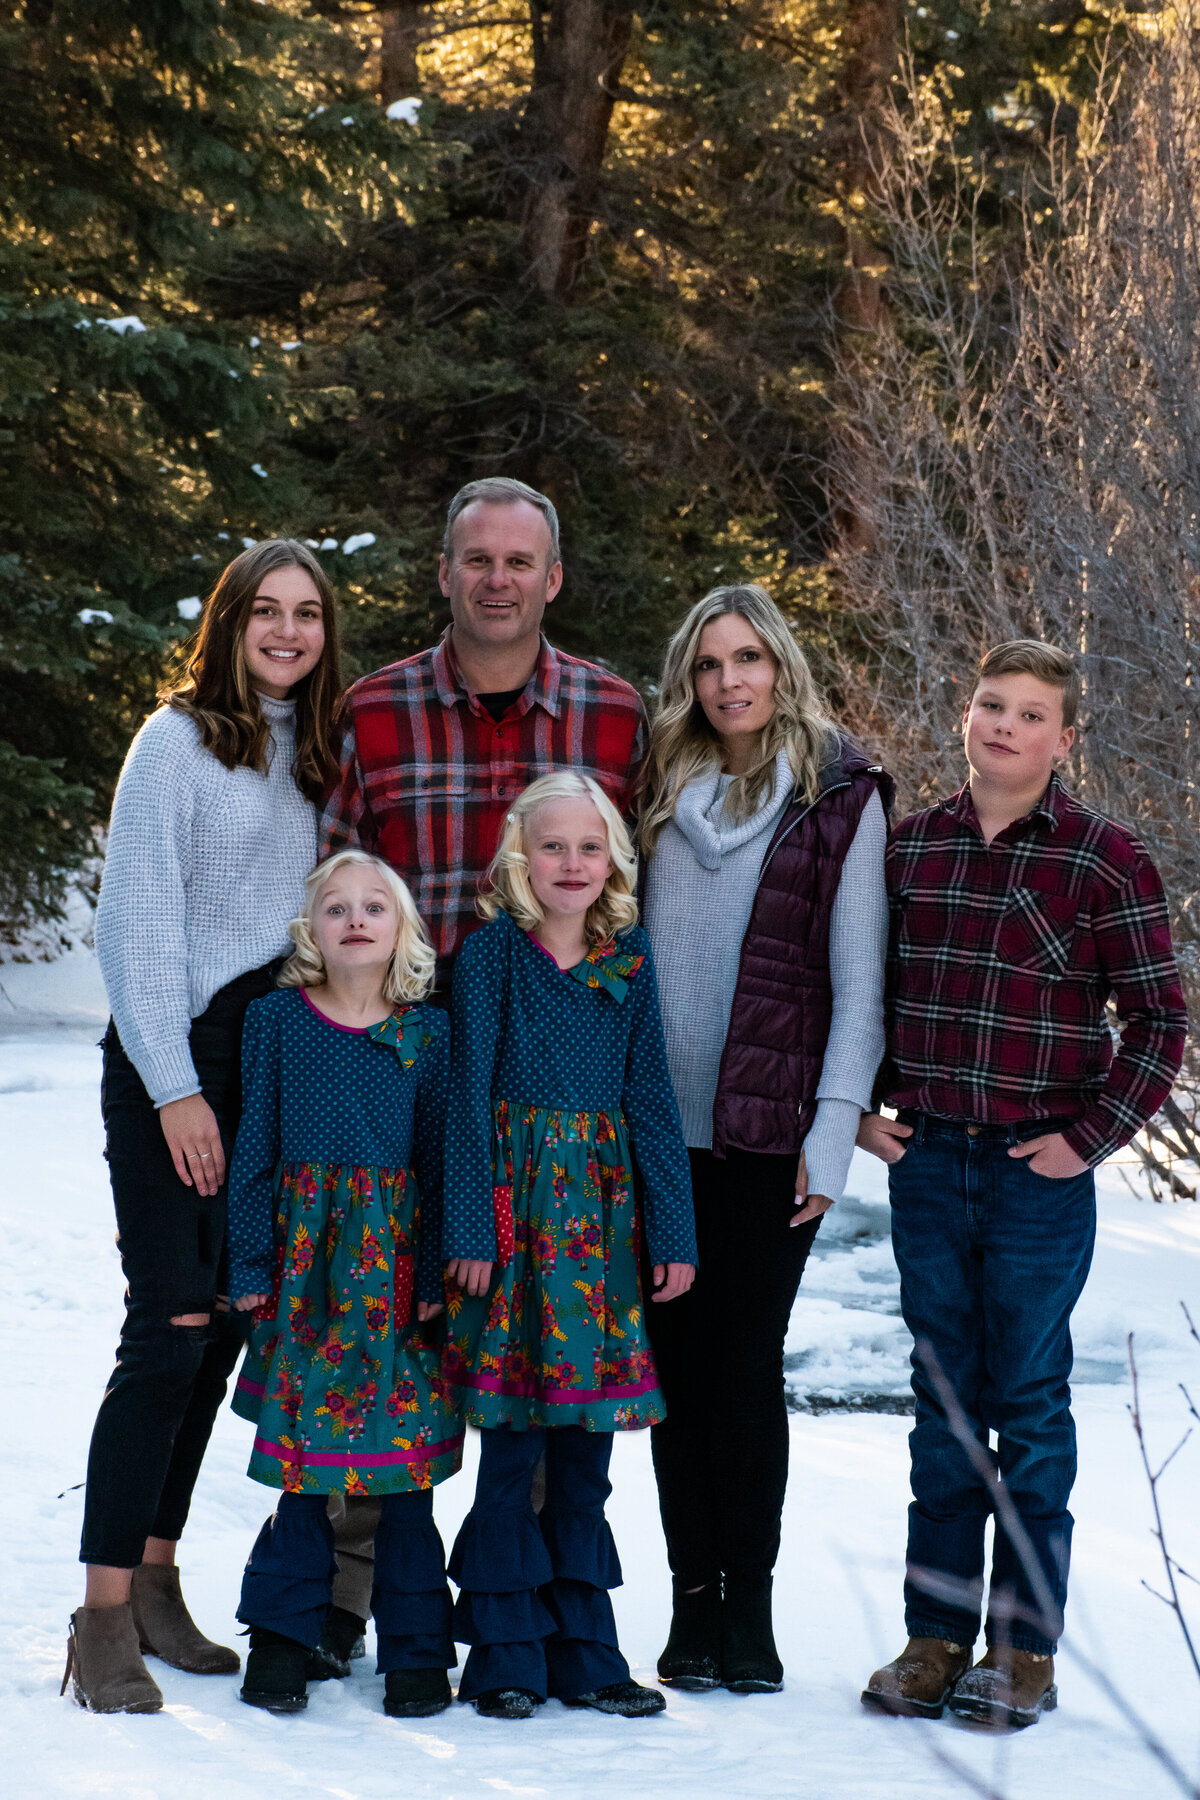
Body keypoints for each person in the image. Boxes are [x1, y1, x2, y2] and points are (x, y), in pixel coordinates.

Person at [313, 475, 649, 1664]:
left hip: (552, 1084)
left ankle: (533, 1617)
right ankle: (354, 1596)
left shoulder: (615, 713)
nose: (498, 581)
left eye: (521, 562)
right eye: (477, 560)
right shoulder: (374, 710)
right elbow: (330, 884)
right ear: (446, 572)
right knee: (382, 1322)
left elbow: (631, 879)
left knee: (538, 1348)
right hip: (396, 1071)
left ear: (553, 578)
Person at [858, 639, 1187, 1729]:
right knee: (944, 1407)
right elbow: (858, 991)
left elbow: (1158, 1022)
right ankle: (934, 1638)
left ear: (1063, 737)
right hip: (929, 1159)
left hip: (1036, 1169)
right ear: (968, 716)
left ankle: (1022, 1652)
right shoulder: (911, 849)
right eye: (990, 704)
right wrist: (862, 1108)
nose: (1004, 725)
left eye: (1030, 713)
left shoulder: (1103, 860)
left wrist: (1090, 1139)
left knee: (1031, 1408)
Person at [65, 540, 341, 1714]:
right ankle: (101, 1615)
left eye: (309, 614)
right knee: (167, 1329)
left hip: (268, 1059)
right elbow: (136, 930)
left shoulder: (321, 757)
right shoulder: (173, 743)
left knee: (225, 1325)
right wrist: (176, 1089)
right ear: (228, 622)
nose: (287, 631)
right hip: (169, 1059)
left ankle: (164, 1584)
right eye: (265, 611)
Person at [638, 584, 891, 1694]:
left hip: (766, 1140)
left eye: (748, 658)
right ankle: (691, 1603)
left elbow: (861, 986)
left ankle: (752, 1607)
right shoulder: (655, 786)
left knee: (741, 1372)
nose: (730, 681)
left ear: (781, 665)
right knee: (672, 1375)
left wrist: (831, 1135)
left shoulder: (841, 795)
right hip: (652, 1137)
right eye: (708, 664)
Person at [441, 771, 698, 1720]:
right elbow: (465, 1096)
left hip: (598, 1232)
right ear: (520, 856)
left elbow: (651, 1103)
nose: (572, 863)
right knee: (512, 1444)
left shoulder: (626, 962)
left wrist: (671, 1228)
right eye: (553, 846)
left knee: (586, 1446)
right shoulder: (491, 958)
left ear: (615, 862)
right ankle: (505, 1647)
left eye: (590, 848)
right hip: (511, 1222)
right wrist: (468, 1224)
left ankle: (586, 1643)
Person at [224, 851, 462, 1719]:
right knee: (305, 1476)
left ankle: (416, 1655)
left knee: (404, 1480)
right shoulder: (277, 1022)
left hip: (398, 1280)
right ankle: (283, 1640)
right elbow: (254, 1151)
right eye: (336, 908)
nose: (355, 919)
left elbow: (441, 1163)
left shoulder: (427, 1033)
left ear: (402, 930)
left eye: (374, 907)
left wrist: (437, 1268)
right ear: (310, 930)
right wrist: (250, 1267)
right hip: (306, 1279)